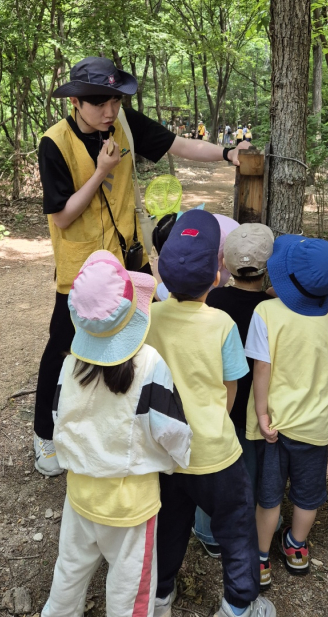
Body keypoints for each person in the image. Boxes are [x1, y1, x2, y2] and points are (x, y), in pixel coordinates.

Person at [34, 57, 250, 475]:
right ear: (76, 102)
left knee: (135, 334)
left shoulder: (124, 125)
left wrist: (227, 153)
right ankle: (45, 432)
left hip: (129, 255)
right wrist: (100, 173)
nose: (110, 112)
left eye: (116, 101)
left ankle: (118, 414)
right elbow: (61, 216)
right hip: (81, 267)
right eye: (100, 104)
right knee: (63, 344)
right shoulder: (55, 143)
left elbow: (177, 145)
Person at [41, 251, 192, 617]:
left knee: (70, 570)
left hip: (80, 492)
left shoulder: (69, 363)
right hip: (131, 504)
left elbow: (58, 415)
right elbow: (170, 429)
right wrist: (179, 460)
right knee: (130, 590)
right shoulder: (151, 364)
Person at [147, 210, 276, 617]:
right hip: (214, 451)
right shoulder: (221, 323)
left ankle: (159, 594)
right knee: (237, 528)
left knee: (168, 525)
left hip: (164, 450)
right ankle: (238, 605)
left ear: (162, 272)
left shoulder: (149, 317)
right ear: (217, 274)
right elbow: (231, 387)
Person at [246, 235, 328, 582]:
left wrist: (261, 414)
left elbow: (262, 368)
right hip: (315, 425)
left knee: (269, 497)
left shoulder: (265, 313)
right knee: (307, 494)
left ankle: (259, 558)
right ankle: (296, 546)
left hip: (276, 425)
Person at [193, 224, 275, 559]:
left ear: (224, 263)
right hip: (253, 408)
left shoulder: (213, 298)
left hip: (216, 402)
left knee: (212, 468)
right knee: (247, 472)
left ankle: (206, 530)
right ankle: (246, 528)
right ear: (267, 268)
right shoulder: (270, 310)